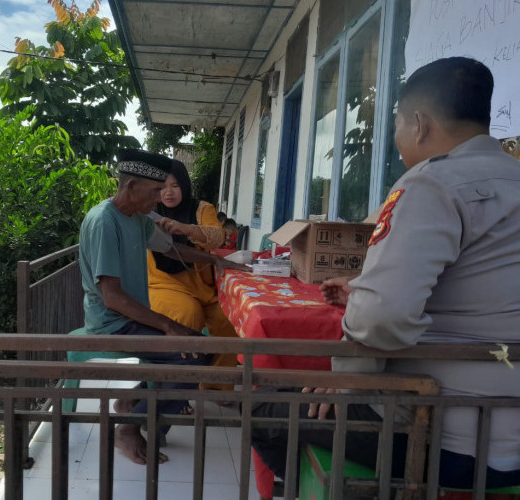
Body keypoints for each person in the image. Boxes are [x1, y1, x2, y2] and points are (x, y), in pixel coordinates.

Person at [251, 57, 520, 490]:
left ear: (418, 123)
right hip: (510, 438)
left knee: (260, 406)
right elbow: (480, 288)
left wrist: (348, 381)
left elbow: (382, 317)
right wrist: (361, 289)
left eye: (395, 125)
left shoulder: (431, 184)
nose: (396, 140)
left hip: (442, 438)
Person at [79, 149, 244, 466]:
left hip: (130, 317)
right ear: (130, 188)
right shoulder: (104, 221)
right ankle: (127, 429)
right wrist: (167, 324)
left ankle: (133, 400)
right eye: (155, 191)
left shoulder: (136, 220)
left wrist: (215, 259)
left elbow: (172, 249)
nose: (159, 200)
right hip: (112, 322)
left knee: (202, 351)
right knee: (192, 359)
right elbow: (112, 297)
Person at [148, 160, 240, 391]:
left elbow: (218, 238)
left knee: (229, 320)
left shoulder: (202, 209)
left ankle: (214, 384)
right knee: (187, 314)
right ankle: (176, 391)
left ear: (186, 186)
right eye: (162, 187)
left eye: (175, 185)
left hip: (204, 288)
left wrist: (185, 228)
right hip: (163, 285)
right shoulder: (148, 210)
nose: (168, 192)